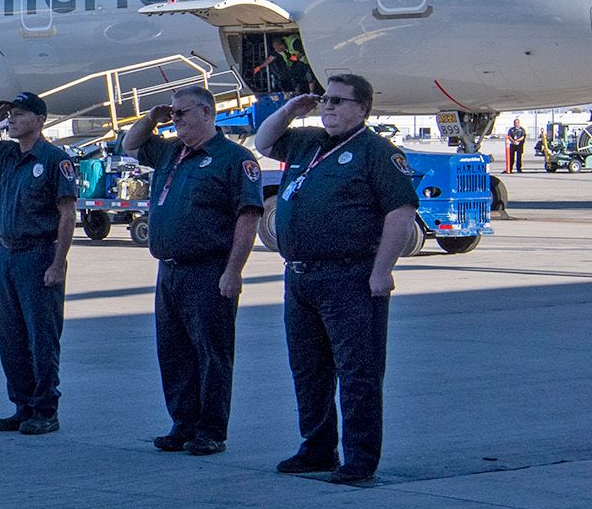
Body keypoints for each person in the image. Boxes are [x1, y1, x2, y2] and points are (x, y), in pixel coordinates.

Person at [255, 75, 420, 485]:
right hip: (301, 275)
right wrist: (290, 110)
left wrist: (382, 270)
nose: (328, 107)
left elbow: (400, 214)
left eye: (338, 101)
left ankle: (360, 458)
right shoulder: (307, 142)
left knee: (358, 371)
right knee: (308, 368)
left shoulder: (376, 152)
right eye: (325, 99)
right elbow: (263, 142)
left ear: (362, 108)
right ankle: (317, 447)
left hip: (350, 277)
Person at [120, 87, 263, 455]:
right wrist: (151, 118)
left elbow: (247, 218)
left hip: (208, 269)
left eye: (182, 113)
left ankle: (211, 430)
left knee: (211, 353)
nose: (176, 119)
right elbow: (130, 144)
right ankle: (183, 423)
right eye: (173, 113)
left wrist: (233, 271)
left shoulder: (233, 159)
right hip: (170, 270)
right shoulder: (171, 151)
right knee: (174, 351)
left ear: (207, 113)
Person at [0, 92, 77, 435]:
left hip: (38, 253)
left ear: (39, 121)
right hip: (7, 252)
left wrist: (58, 263)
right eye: (10, 114)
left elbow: (67, 214)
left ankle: (45, 409)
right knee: (10, 336)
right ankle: (22, 405)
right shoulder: (6, 153)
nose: (12, 119)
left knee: (41, 337)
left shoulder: (54, 160)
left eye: (20, 114)